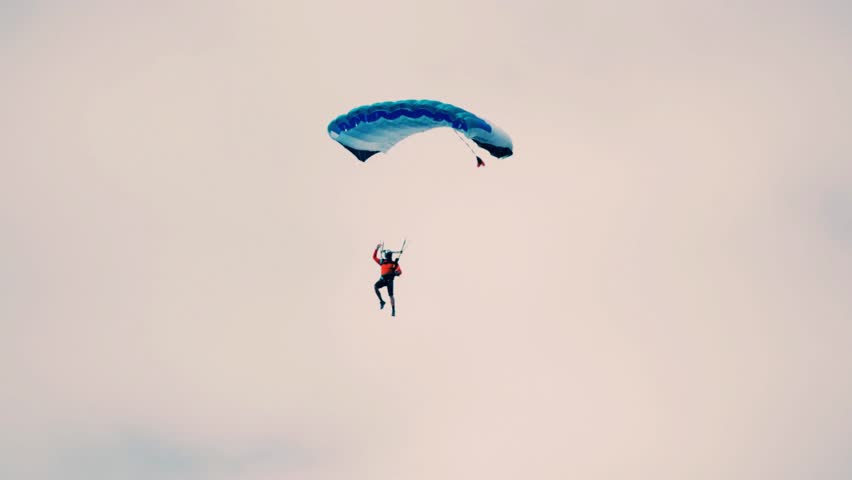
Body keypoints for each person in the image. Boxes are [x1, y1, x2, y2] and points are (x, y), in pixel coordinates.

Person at [373, 243, 402, 316]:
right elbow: (374, 257)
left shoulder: (394, 264)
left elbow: (400, 271)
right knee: (375, 286)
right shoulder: (382, 262)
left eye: (390, 255)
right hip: (383, 279)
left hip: (389, 280)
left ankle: (393, 310)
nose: (389, 257)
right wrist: (376, 248)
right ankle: (382, 301)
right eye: (388, 255)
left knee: (391, 295)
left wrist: (396, 273)